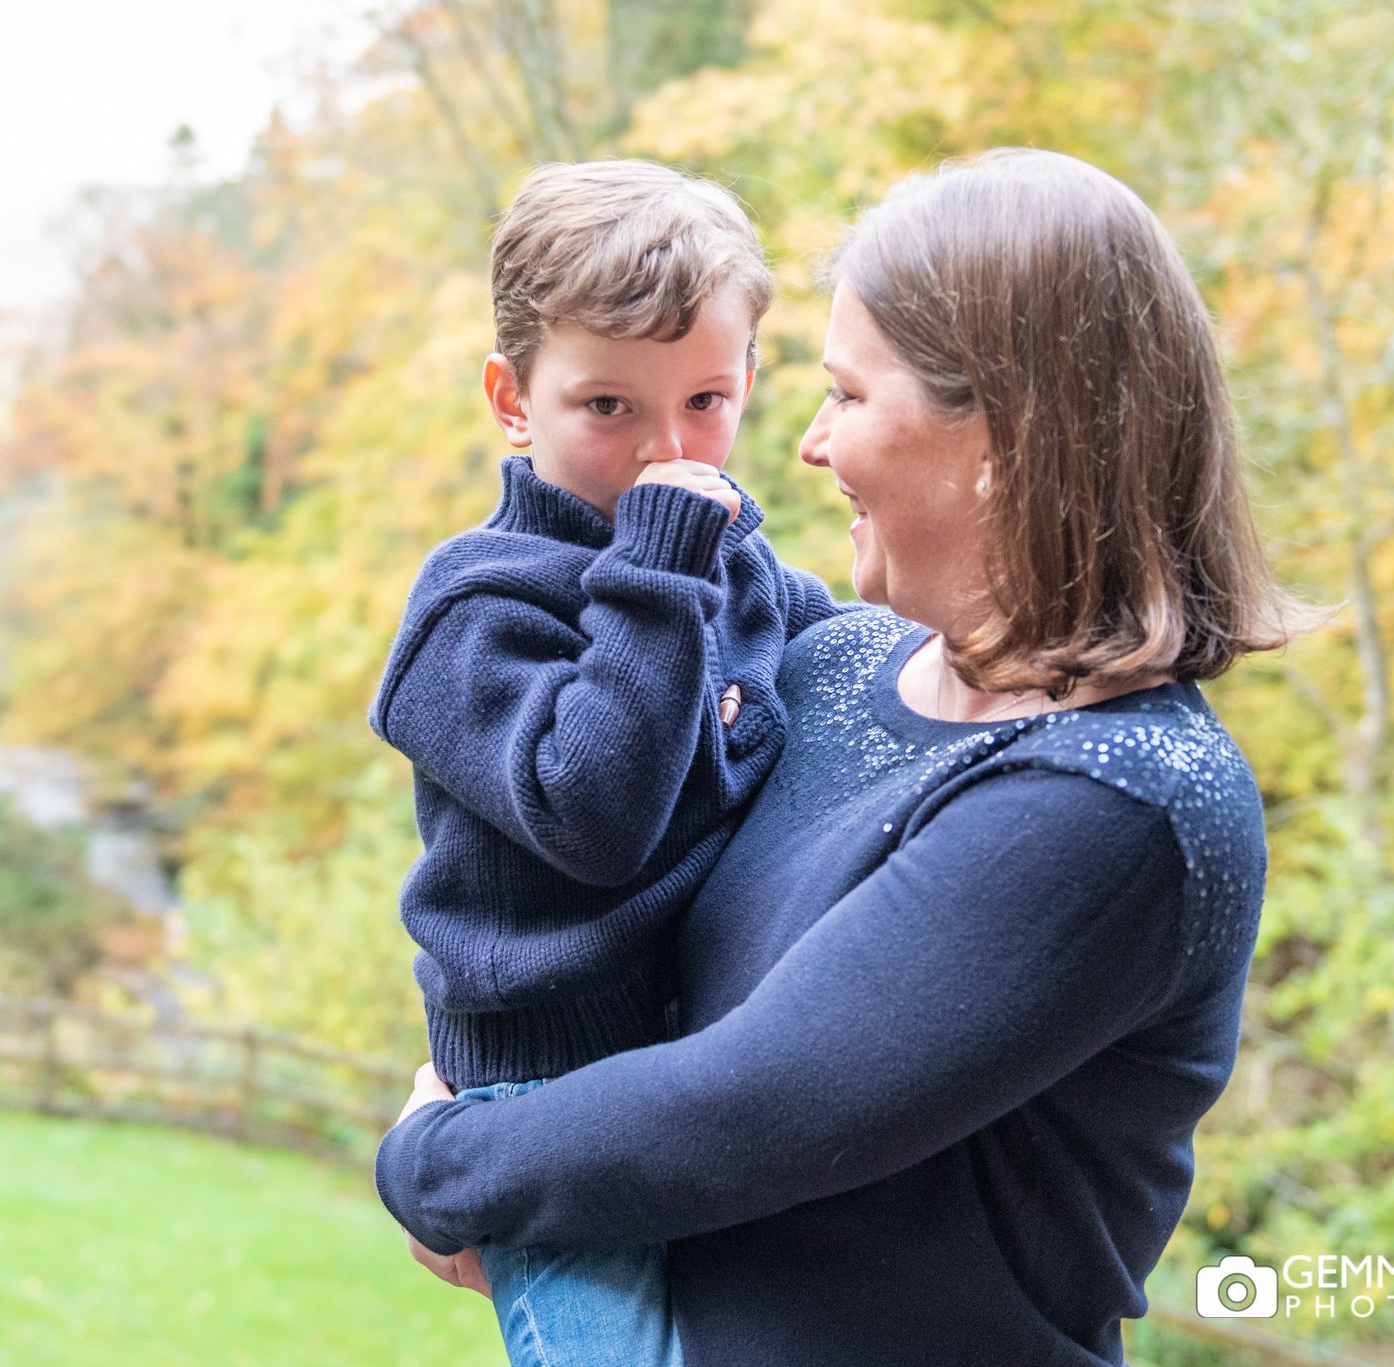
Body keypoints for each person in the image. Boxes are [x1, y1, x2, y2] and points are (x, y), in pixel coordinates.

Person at [376, 148, 1301, 1366]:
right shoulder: (836, 665)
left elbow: (746, 1110)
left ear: (1009, 437)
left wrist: (436, 1159)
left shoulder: (1117, 799)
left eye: (847, 396)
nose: (803, 446)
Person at [367, 159, 842, 1367]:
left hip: (694, 1079)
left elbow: (843, 653)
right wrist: (663, 559)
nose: (664, 452)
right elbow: (595, 812)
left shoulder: (723, 557)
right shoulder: (475, 606)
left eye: (704, 401)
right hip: (539, 1100)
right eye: (607, 407)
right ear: (512, 399)